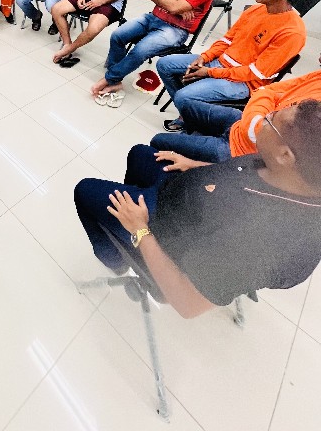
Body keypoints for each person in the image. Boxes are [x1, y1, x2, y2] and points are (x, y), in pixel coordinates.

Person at [74, 100, 321, 318]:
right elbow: (238, 175)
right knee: (139, 154)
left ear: (285, 155)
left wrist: (139, 230)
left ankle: (117, 260)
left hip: (169, 236)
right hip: (185, 198)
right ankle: (124, 224)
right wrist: (193, 165)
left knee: (84, 191)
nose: (265, 117)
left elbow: (187, 305)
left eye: (270, 120)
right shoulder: (289, 172)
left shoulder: (264, 242)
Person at [157, 0, 312, 131]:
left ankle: (190, 114)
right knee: (164, 64)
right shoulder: (256, 9)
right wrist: (205, 57)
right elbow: (227, 40)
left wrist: (210, 72)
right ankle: (191, 113)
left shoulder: (292, 32)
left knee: (183, 96)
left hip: (244, 82)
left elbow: (255, 72)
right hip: (220, 64)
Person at [90, 0, 215, 104]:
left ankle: (110, 78)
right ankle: (115, 80)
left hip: (175, 29)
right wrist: (170, 3)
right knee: (117, 35)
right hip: (153, 17)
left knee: (139, 51)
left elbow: (168, 2)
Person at [148, 56, 321, 163]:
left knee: (158, 140)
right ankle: (193, 136)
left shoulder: (316, 114)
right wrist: (207, 58)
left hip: (241, 150)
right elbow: (269, 90)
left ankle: (194, 149)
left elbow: (258, 131)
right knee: (186, 105)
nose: (318, 56)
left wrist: (212, 72)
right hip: (241, 120)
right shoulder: (318, 76)